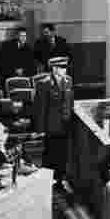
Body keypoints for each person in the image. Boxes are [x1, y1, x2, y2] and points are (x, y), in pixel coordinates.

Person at [32, 57, 74, 185]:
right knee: (50, 153)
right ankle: (48, 180)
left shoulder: (68, 81)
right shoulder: (44, 83)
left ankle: (60, 179)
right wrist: (40, 129)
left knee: (63, 154)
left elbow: (70, 101)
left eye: (65, 67)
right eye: (61, 67)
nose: (64, 70)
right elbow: (40, 108)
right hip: (51, 126)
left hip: (65, 124)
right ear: (54, 68)